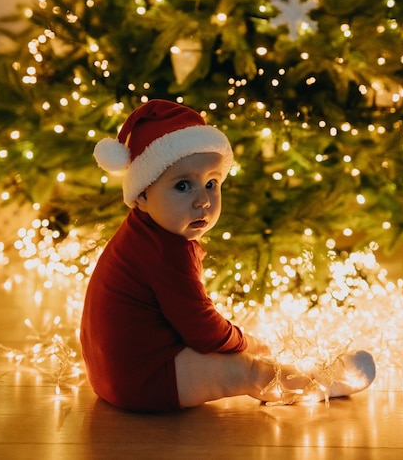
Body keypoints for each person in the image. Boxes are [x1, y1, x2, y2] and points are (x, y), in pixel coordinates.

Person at [80, 99, 376, 413]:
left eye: (211, 183)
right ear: (141, 194)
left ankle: (295, 373)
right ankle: (324, 382)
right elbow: (202, 329)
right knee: (245, 371)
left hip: (112, 372)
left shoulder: (145, 231)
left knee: (234, 355)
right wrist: (244, 342)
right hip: (142, 378)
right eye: (183, 186)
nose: (203, 201)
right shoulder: (164, 251)